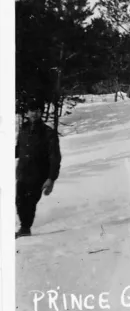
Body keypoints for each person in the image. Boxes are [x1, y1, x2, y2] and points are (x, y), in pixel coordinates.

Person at [15, 97, 62, 238]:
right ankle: (24, 227)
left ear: (40, 113)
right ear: (27, 113)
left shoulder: (48, 133)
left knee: (30, 202)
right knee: (19, 201)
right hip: (23, 172)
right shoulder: (23, 129)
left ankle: (25, 229)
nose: (34, 114)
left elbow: (55, 156)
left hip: (38, 174)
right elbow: (19, 149)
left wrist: (51, 179)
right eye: (32, 111)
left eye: (37, 111)